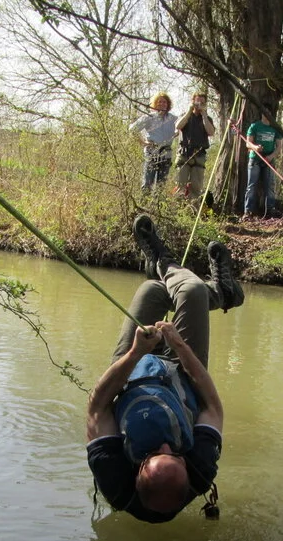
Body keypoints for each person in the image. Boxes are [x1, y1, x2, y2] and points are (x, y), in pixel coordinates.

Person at [86, 214, 245, 523]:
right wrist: (179, 345)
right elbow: (213, 404)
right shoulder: (200, 467)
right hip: (181, 378)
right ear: (185, 467)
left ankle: (213, 289)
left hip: (130, 377)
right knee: (192, 292)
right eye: (173, 453)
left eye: (153, 454)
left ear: (138, 471)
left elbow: (97, 406)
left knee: (152, 291)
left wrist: (134, 354)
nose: (164, 444)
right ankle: (168, 263)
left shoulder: (113, 474)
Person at [129, 93, 178, 192]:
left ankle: (158, 206)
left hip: (166, 153)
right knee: (147, 183)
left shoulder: (173, 119)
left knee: (161, 185)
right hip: (152, 152)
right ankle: (144, 206)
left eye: (164, 102)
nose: (162, 104)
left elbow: (181, 128)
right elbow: (132, 129)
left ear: (168, 104)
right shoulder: (149, 117)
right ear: (155, 104)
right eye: (159, 101)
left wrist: (176, 133)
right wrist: (142, 142)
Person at [173, 93, 216, 198]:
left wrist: (204, 116)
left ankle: (193, 210)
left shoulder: (207, 118)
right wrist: (189, 112)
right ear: (192, 101)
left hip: (199, 155)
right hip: (184, 154)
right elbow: (178, 126)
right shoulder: (185, 115)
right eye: (197, 102)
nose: (199, 105)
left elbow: (211, 132)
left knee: (196, 188)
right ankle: (178, 209)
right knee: (180, 185)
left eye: (202, 103)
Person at [243, 112, 281, 218]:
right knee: (251, 186)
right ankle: (248, 211)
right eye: (265, 113)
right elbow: (248, 143)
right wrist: (255, 148)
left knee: (270, 185)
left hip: (269, 159)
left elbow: (278, 147)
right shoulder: (254, 126)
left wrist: (271, 157)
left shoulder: (275, 128)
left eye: (269, 113)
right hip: (255, 158)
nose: (267, 115)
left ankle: (270, 210)